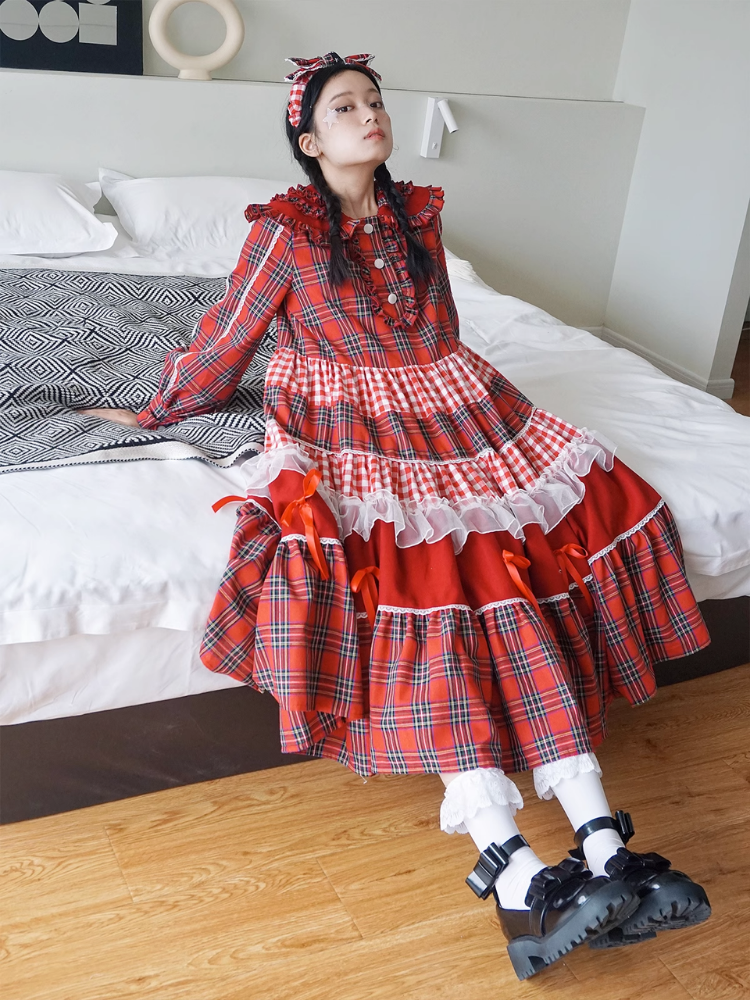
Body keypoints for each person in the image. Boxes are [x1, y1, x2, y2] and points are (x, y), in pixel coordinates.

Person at [80, 52, 712, 980]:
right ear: (309, 140)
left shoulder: (418, 217)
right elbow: (227, 341)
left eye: (373, 102)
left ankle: (606, 849)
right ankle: (513, 869)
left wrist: (455, 410)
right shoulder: (285, 232)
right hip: (344, 418)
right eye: (344, 107)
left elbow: (443, 329)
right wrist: (152, 411)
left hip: (447, 401)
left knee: (521, 561)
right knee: (431, 587)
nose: (368, 115)